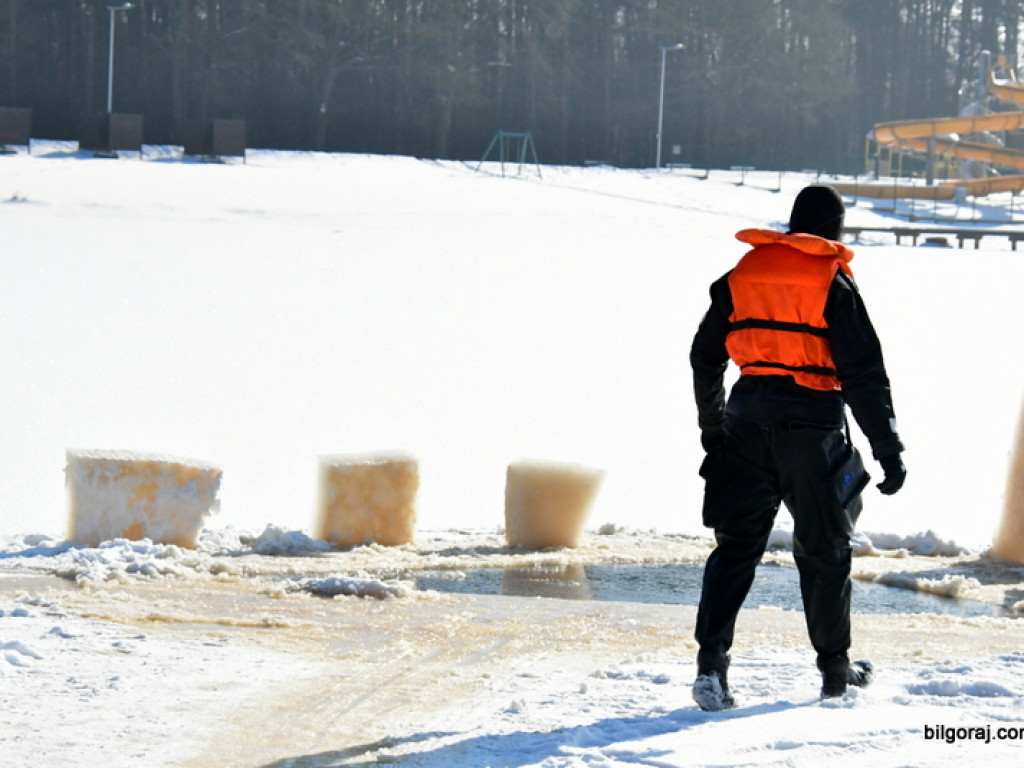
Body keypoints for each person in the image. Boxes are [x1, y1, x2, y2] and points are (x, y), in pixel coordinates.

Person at [689, 184, 906, 711]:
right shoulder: (832, 281)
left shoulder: (742, 275)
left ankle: (711, 667)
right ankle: (835, 671)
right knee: (825, 550)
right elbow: (863, 373)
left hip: (746, 421)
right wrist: (887, 447)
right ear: (835, 228)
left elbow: (703, 356)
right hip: (812, 429)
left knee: (736, 546)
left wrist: (714, 427)